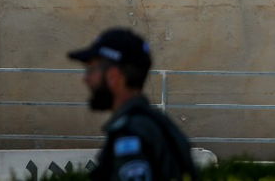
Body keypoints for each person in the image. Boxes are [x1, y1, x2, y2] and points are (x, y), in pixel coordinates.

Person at [67, 28, 197, 181]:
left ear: (113, 76)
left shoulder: (132, 132)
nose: (86, 79)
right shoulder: (153, 123)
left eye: (91, 69)